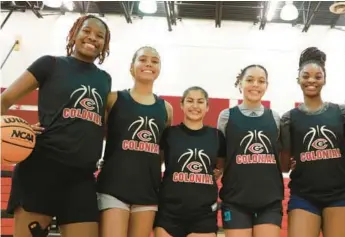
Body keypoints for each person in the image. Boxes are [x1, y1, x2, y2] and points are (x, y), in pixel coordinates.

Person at [1, 15, 112, 237]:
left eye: (100, 36)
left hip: (81, 178)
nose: (92, 38)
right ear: (74, 34)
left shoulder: (104, 79)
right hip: (41, 169)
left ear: (105, 45)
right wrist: (18, 128)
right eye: (86, 31)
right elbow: (4, 101)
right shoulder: (49, 64)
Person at [96, 46, 173, 237]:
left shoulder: (166, 108)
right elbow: (96, 132)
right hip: (113, 188)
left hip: (147, 190)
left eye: (154, 61)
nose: (148, 64)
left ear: (159, 69)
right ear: (132, 67)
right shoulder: (113, 99)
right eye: (143, 59)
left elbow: (161, 150)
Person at [280, 47, 345, 237]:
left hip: (339, 195)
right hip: (303, 195)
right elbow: (285, 166)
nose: (311, 80)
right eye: (306, 76)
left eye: (317, 76)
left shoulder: (341, 112)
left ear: (324, 79)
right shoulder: (289, 118)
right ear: (298, 79)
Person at [217, 65, 284, 237]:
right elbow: (221, 158)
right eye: (250, 80)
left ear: (266, 86)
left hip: (269, 201)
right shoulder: (226, 116)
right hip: (235, 200)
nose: (255, 84)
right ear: (240, 83)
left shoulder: (275, 118)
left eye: (261, 81)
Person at [154, 86, 226, 237]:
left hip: (203, 215)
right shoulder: (169, 134)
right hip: (169, 214)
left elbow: (221, 166)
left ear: (207, 107)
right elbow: (155, 165)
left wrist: (218, 172)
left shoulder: (217, 136)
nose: (195, 106)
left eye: (200, 102)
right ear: (181, 104)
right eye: (190, 101)